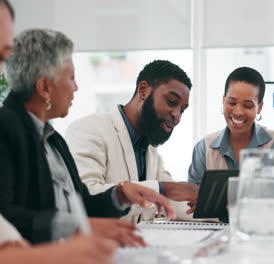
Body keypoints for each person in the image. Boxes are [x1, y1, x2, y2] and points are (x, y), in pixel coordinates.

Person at [0, 28, 175, 245]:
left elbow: (80, 203)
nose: (76, 87)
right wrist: (75, 227)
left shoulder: (54, 140)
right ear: (45, 87)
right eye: (71, 77)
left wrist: (119, 195)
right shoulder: (5, 128)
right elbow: (5, 218)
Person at [65, 60, 198, 222]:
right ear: (144, 90)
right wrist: (162, 189)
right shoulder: (89, 129)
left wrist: (218, 207)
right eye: (171, 102)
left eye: (182, 110)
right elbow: (85, 197)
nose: (177, 116)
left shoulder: (150, 151)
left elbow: (176, 202)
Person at [188, 67, 274, 186]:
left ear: (260, 107)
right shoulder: (204, 148)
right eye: (231, 103)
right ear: (223, 100)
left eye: (247, 106)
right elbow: (193, 199)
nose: (238, 112)